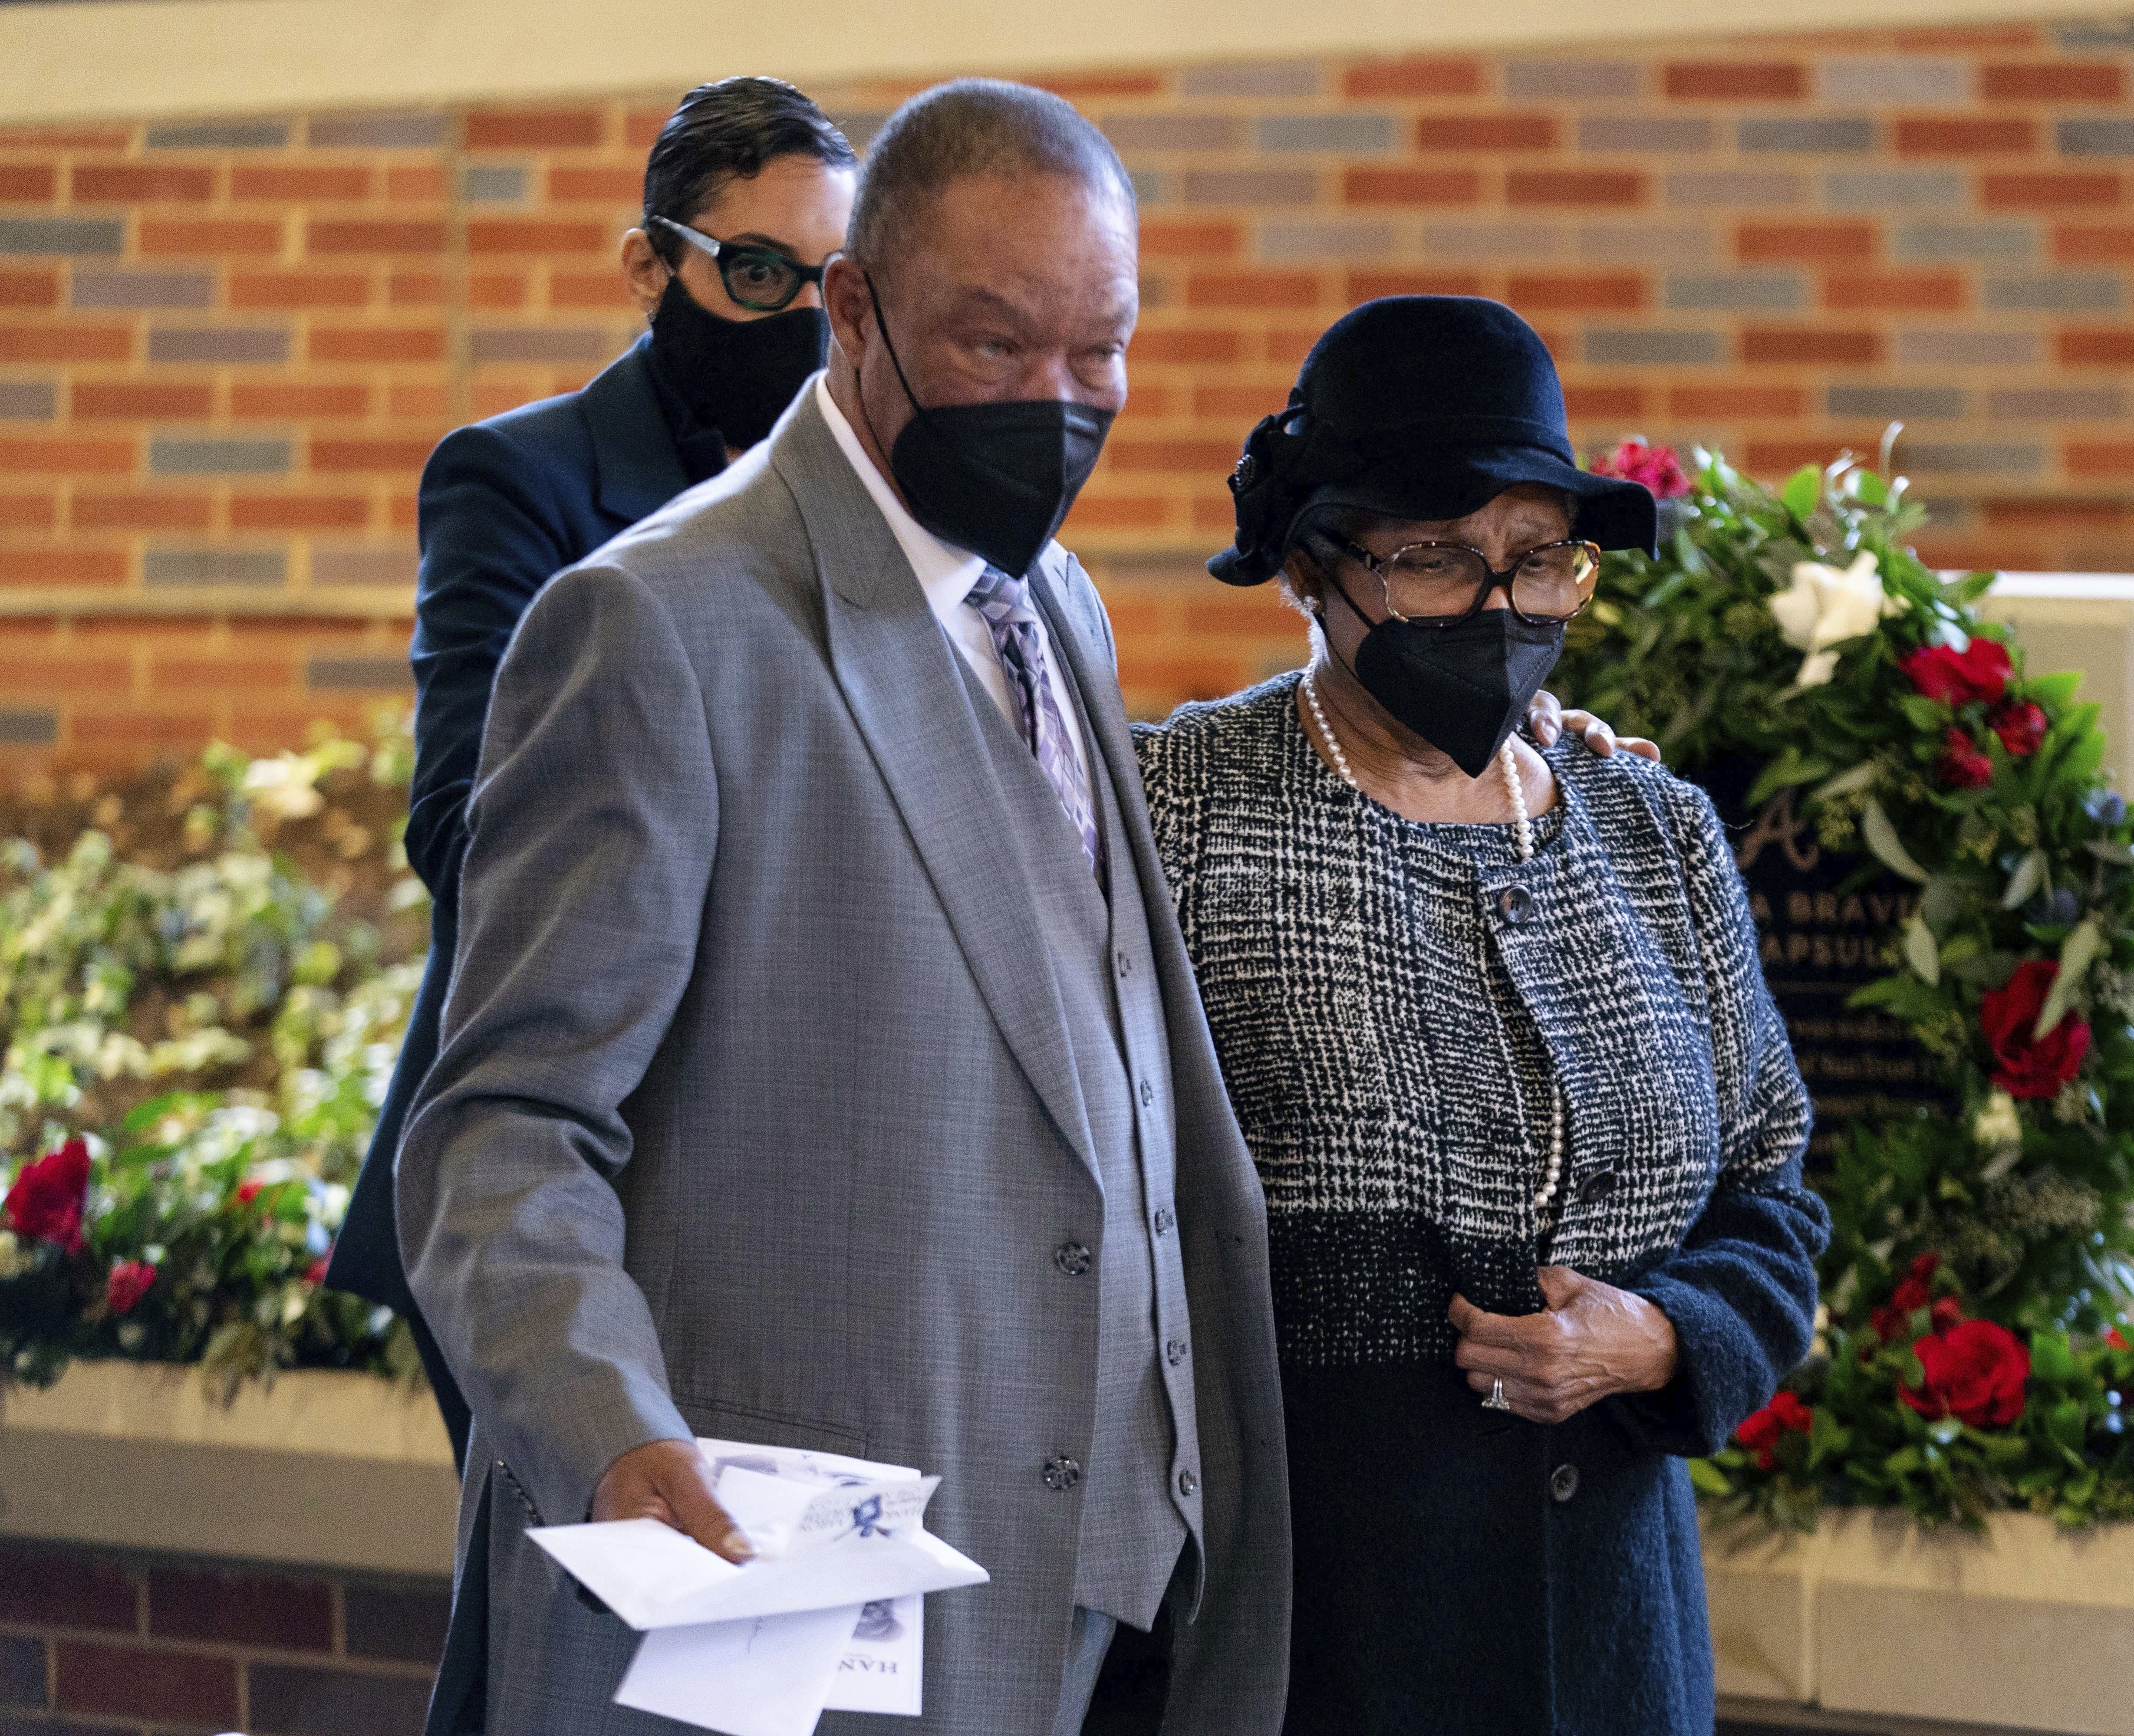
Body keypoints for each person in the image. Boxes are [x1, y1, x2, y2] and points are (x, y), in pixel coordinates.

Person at [398, 80, 1287, 1736]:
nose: (1058, 400)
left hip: (1110, 1599)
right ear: (855, 317)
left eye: (1101, 350)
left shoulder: (1057, 597)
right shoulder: (656, 626)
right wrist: (607, 1428)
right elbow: (503, 1126)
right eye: (996, 345)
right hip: (806, 1618)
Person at [1132, 296, 1831, 1736]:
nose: (1498, 610)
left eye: (1535, 563)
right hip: (1310, 1642)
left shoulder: (1653, 830)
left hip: (1615, 1650)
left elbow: (1773, 1190)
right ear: (1313, 563)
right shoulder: (1182, 813)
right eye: (1437, 561)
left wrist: (1666, 1336)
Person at [325, 75, 858, 1470]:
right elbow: (456, 826)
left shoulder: (860, 512)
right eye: (756, 274)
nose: (796, 318)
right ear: (650, 264)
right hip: (555, 1168)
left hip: (772, 1179)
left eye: (832, 285)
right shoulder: (524, 479)